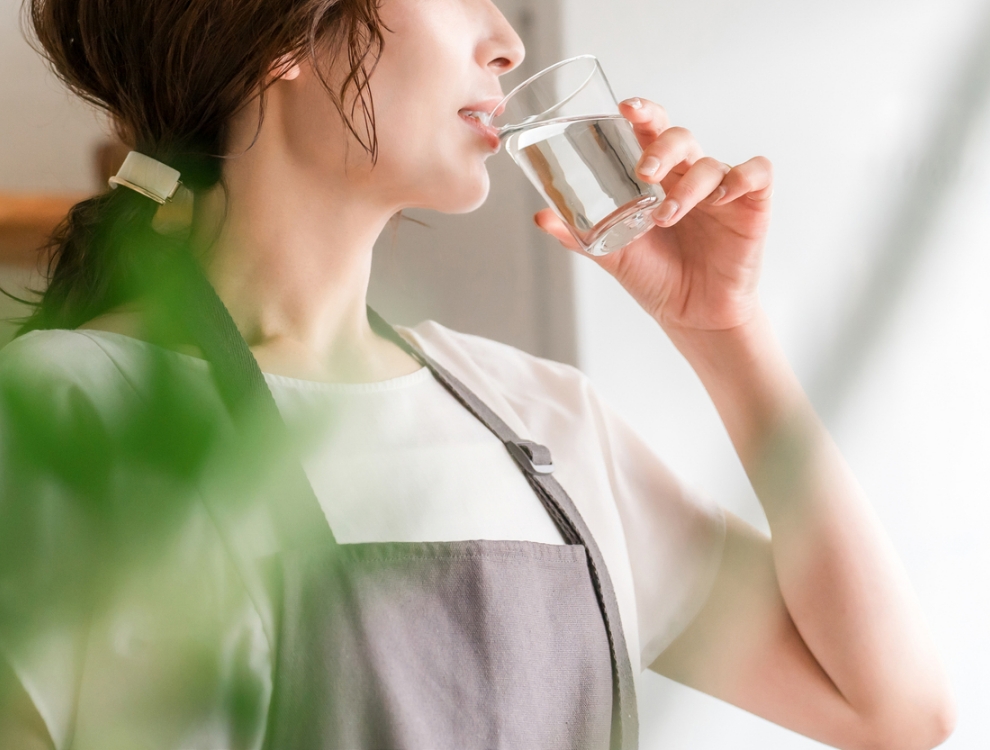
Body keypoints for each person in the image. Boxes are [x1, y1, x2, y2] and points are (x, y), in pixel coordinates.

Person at [0, 0, 955, 748]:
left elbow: (894, 712)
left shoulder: (540, 419)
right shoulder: (63, 413)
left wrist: (721, 330)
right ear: (278, 36)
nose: (504, 40)